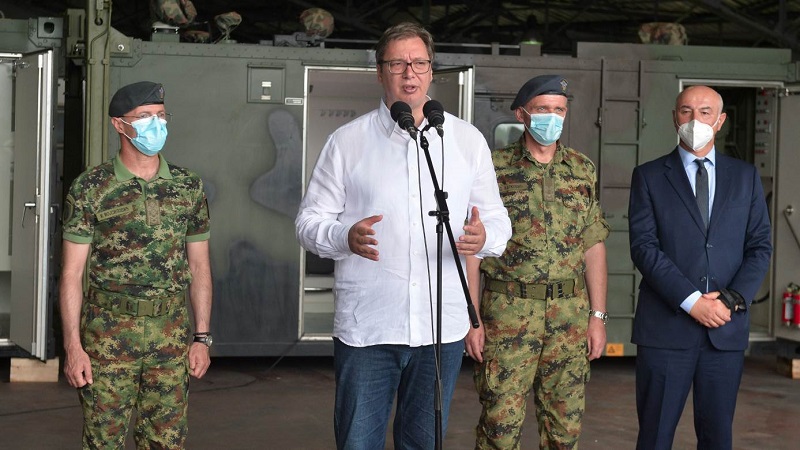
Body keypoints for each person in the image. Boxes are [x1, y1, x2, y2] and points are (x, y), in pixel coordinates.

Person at [295, 22, 511, 449]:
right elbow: (308, 223)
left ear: (431, 70)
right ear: (380, 72)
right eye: (397, 64)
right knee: (358, 442)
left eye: (419, 63)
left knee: (423, 442)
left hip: (440, 330)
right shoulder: (347, 142)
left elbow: (498, 223)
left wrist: (483, 237)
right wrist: (344, 236)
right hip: (369, 329)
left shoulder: (466, 141)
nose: (409, 73)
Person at [59, 81, 213, 448]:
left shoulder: (188, 186)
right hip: (107, 338)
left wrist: (202, 338)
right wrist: (73, 347)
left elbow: (200, 268)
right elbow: (71, 275)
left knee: (166, 442)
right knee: (103, 441)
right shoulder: (91, 188)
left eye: (161, 116)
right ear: (119, 124)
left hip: (170, 336)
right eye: (144, 117)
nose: (156, 124)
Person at [466, 74, 610, 449]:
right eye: (543, 109)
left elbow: (593, 244)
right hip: (507, 315)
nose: (552, 117)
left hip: (569, 318)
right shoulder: (493, 168)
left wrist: (598, 316)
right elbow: (474, 248)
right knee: (499, 428)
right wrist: (472, 319)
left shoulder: (582, 169)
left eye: (559, 110)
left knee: (564, 430)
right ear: (521, 114)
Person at [628, 85, 772, 449]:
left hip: (724, 330)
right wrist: (692, 301)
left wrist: (730, 300)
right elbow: (644, 248)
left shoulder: (745, 177)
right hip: (665, 330)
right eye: (686, 111)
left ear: (720, 121)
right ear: (675, 118)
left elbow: (759, 247)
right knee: (655, 437)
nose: (696, 120)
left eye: (705, 112)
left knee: (717, 438)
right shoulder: (648, 176)